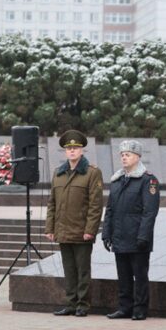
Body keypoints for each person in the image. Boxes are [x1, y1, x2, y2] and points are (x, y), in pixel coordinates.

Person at [46, 130, 104, 317]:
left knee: (83, 271)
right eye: (69, 148)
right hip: (63, 230)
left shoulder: (92, 173)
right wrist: (50, 228)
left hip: (81, 231)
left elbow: (95, 205)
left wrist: (90, 230)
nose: (72, 151)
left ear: (82, 151)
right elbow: (52, 203)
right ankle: (70, 303)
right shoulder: (58, 173)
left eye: (75, 148)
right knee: (69, 270)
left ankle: (83, 305)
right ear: (65, 151)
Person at [101, 140, 161, 321]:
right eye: (122, 155)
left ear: (138, 157)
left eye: (128, 155)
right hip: (120, 235)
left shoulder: (148, 180)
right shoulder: (118, 180)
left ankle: (140, 308)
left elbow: (149, 211)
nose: (124, 158)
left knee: (140, 275)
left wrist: (143, 235)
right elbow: (110, 209)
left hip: (137, 237)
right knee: (123, 275)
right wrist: (106, 233)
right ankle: (124, 307)